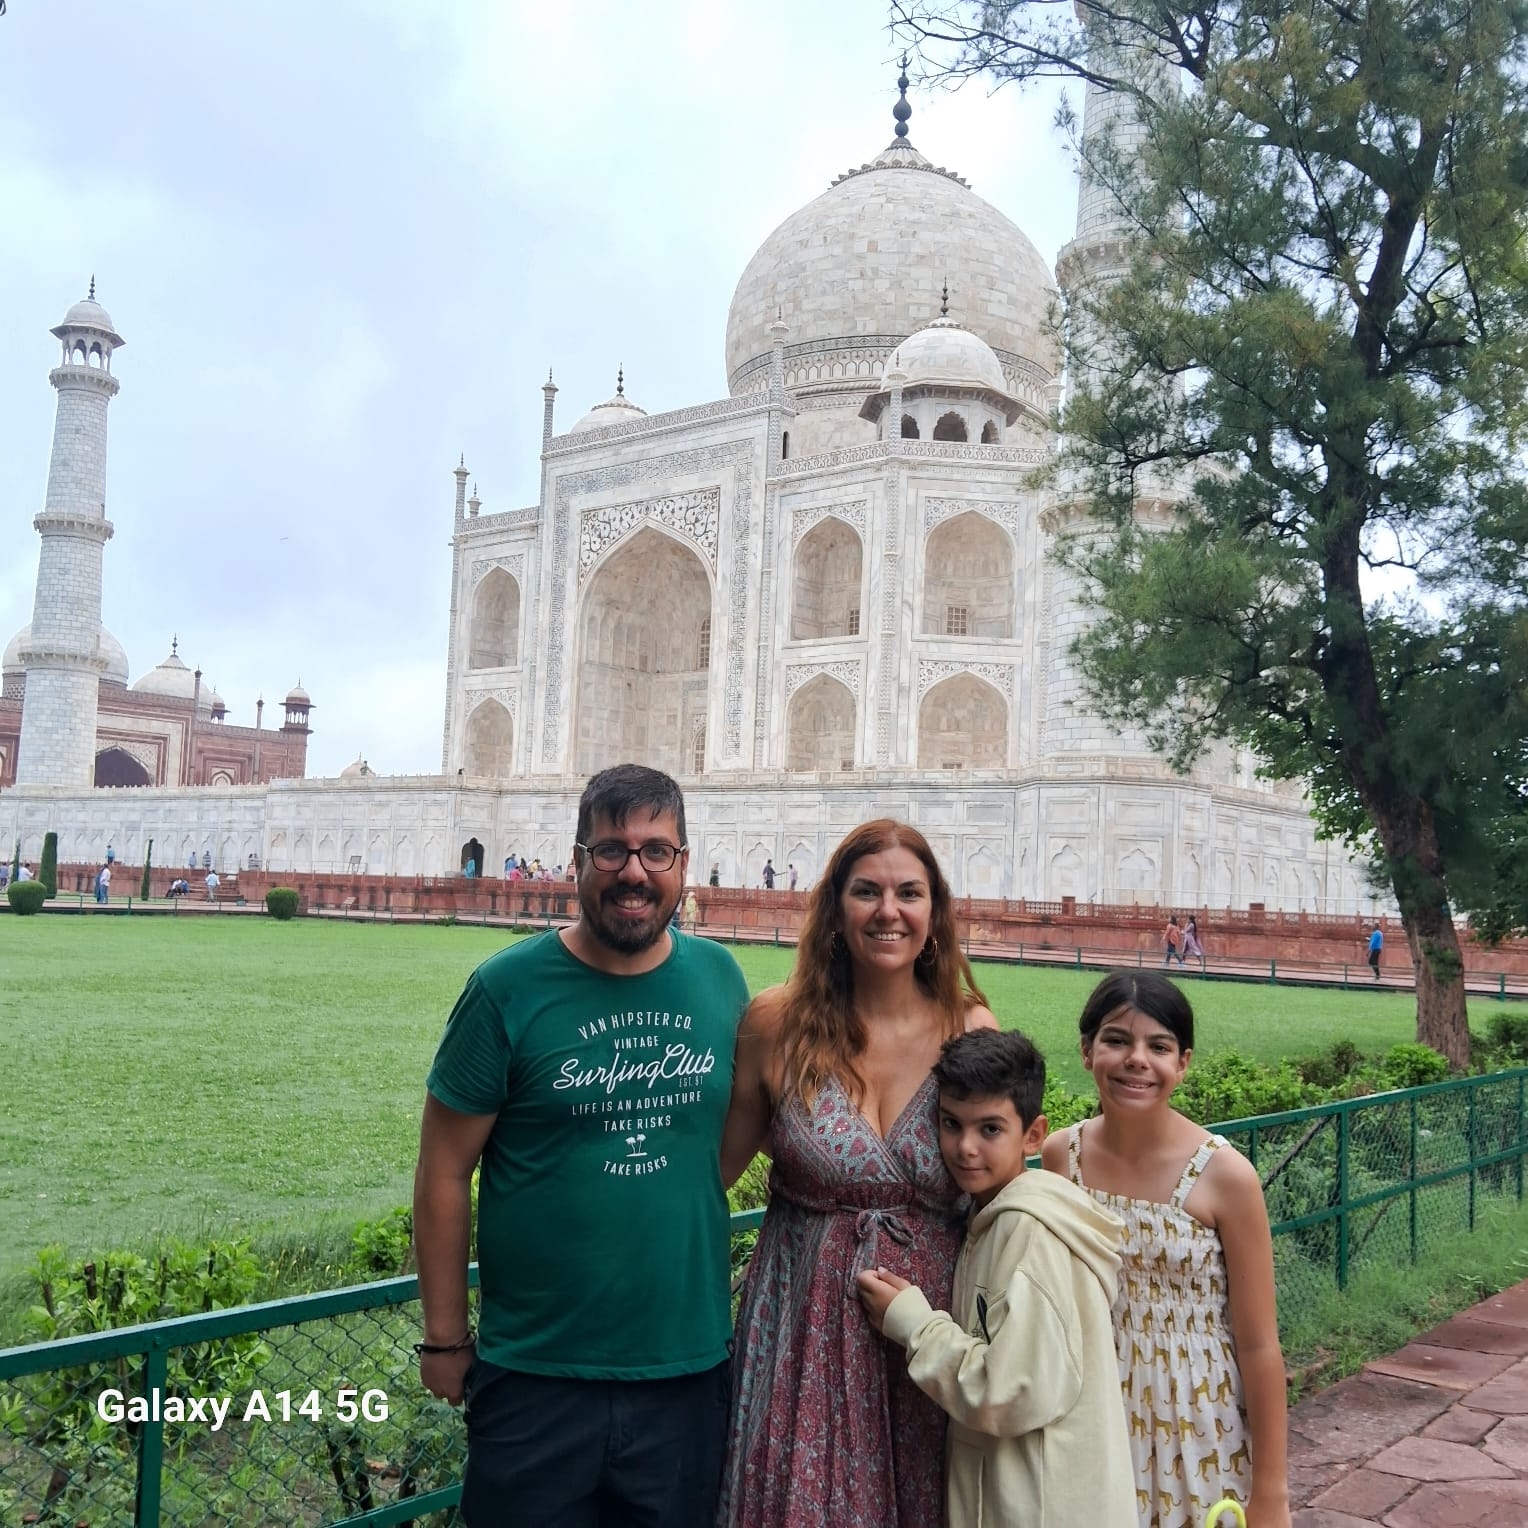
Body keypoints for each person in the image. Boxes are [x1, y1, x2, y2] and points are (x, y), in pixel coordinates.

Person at [414, 764, 750, 1526]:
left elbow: (717, 1153)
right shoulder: (507, 989)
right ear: (577, 860)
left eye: (655, 852)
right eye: (612, 850)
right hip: (536, 1374)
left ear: (684, 865)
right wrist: (444, 1341)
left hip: (684, 1370)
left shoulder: (720, 982)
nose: (633, 871)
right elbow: (442, 1171)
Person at [719, 819, 999, 1528]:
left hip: (928, 1333)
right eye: (867, 891)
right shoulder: (776, 1025)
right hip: (801, 1327)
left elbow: (1004, 1182)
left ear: (933, 913)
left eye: (909, 893)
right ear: (836, 910)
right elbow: (708, 1179)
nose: (888, 911)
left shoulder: (968, 1030)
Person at [857, 1028, 1135, 1528]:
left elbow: (1013, 1391)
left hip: (1040, 1506)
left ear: (1033, 1134)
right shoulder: (991, 1218)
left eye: (990, 1129)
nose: (965, 1147)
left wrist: (916, 1326)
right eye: (951, 1123)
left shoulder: (1031, 1235)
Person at [1042, 971, 1290, 1528]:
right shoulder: (1063, 1157)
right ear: (1086, 1052)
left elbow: (1258, 1345)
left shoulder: (1224, 1176)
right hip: (1094, 1414)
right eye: (1116, 1040)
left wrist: (1272, 1492)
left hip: (1199, 1426)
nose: (1137, 1060)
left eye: (1158, 1046)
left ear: (1183, 1063)